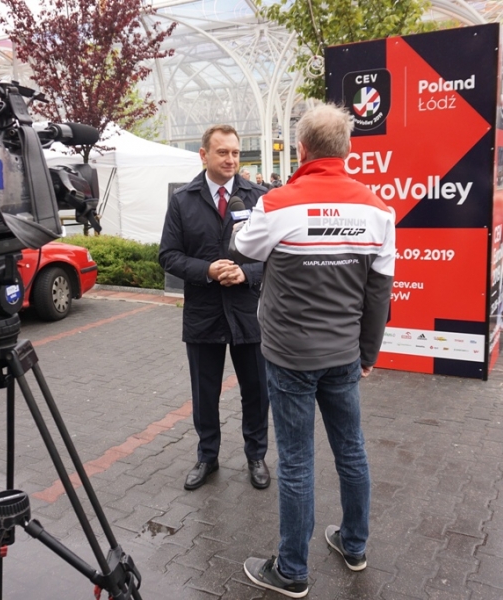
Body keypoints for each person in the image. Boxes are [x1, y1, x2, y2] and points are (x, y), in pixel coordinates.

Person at [230, 104, 395, 598]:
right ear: (348, 149)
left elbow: (244, 248)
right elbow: (379, 293)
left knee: (297, 462)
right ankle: (354, 545)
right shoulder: (378, 209)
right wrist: (368, 353)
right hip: (344, 355)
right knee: (352, 450)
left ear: (301, 150)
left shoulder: (278, 203)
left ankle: (292, 570)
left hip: (289, 357)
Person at [159, 124, 271, 491]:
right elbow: (168, 255)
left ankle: (256, 455)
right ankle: (207, 456)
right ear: (204, 155)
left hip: (248, 311)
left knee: (256, 390)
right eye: (223, 152)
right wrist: (206, 270)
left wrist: (246, 273)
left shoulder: (260, 198)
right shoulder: (183, 200)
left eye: (235, 153)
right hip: (203, 312)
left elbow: (276, 256)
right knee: (204, 392)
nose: (231, 159)